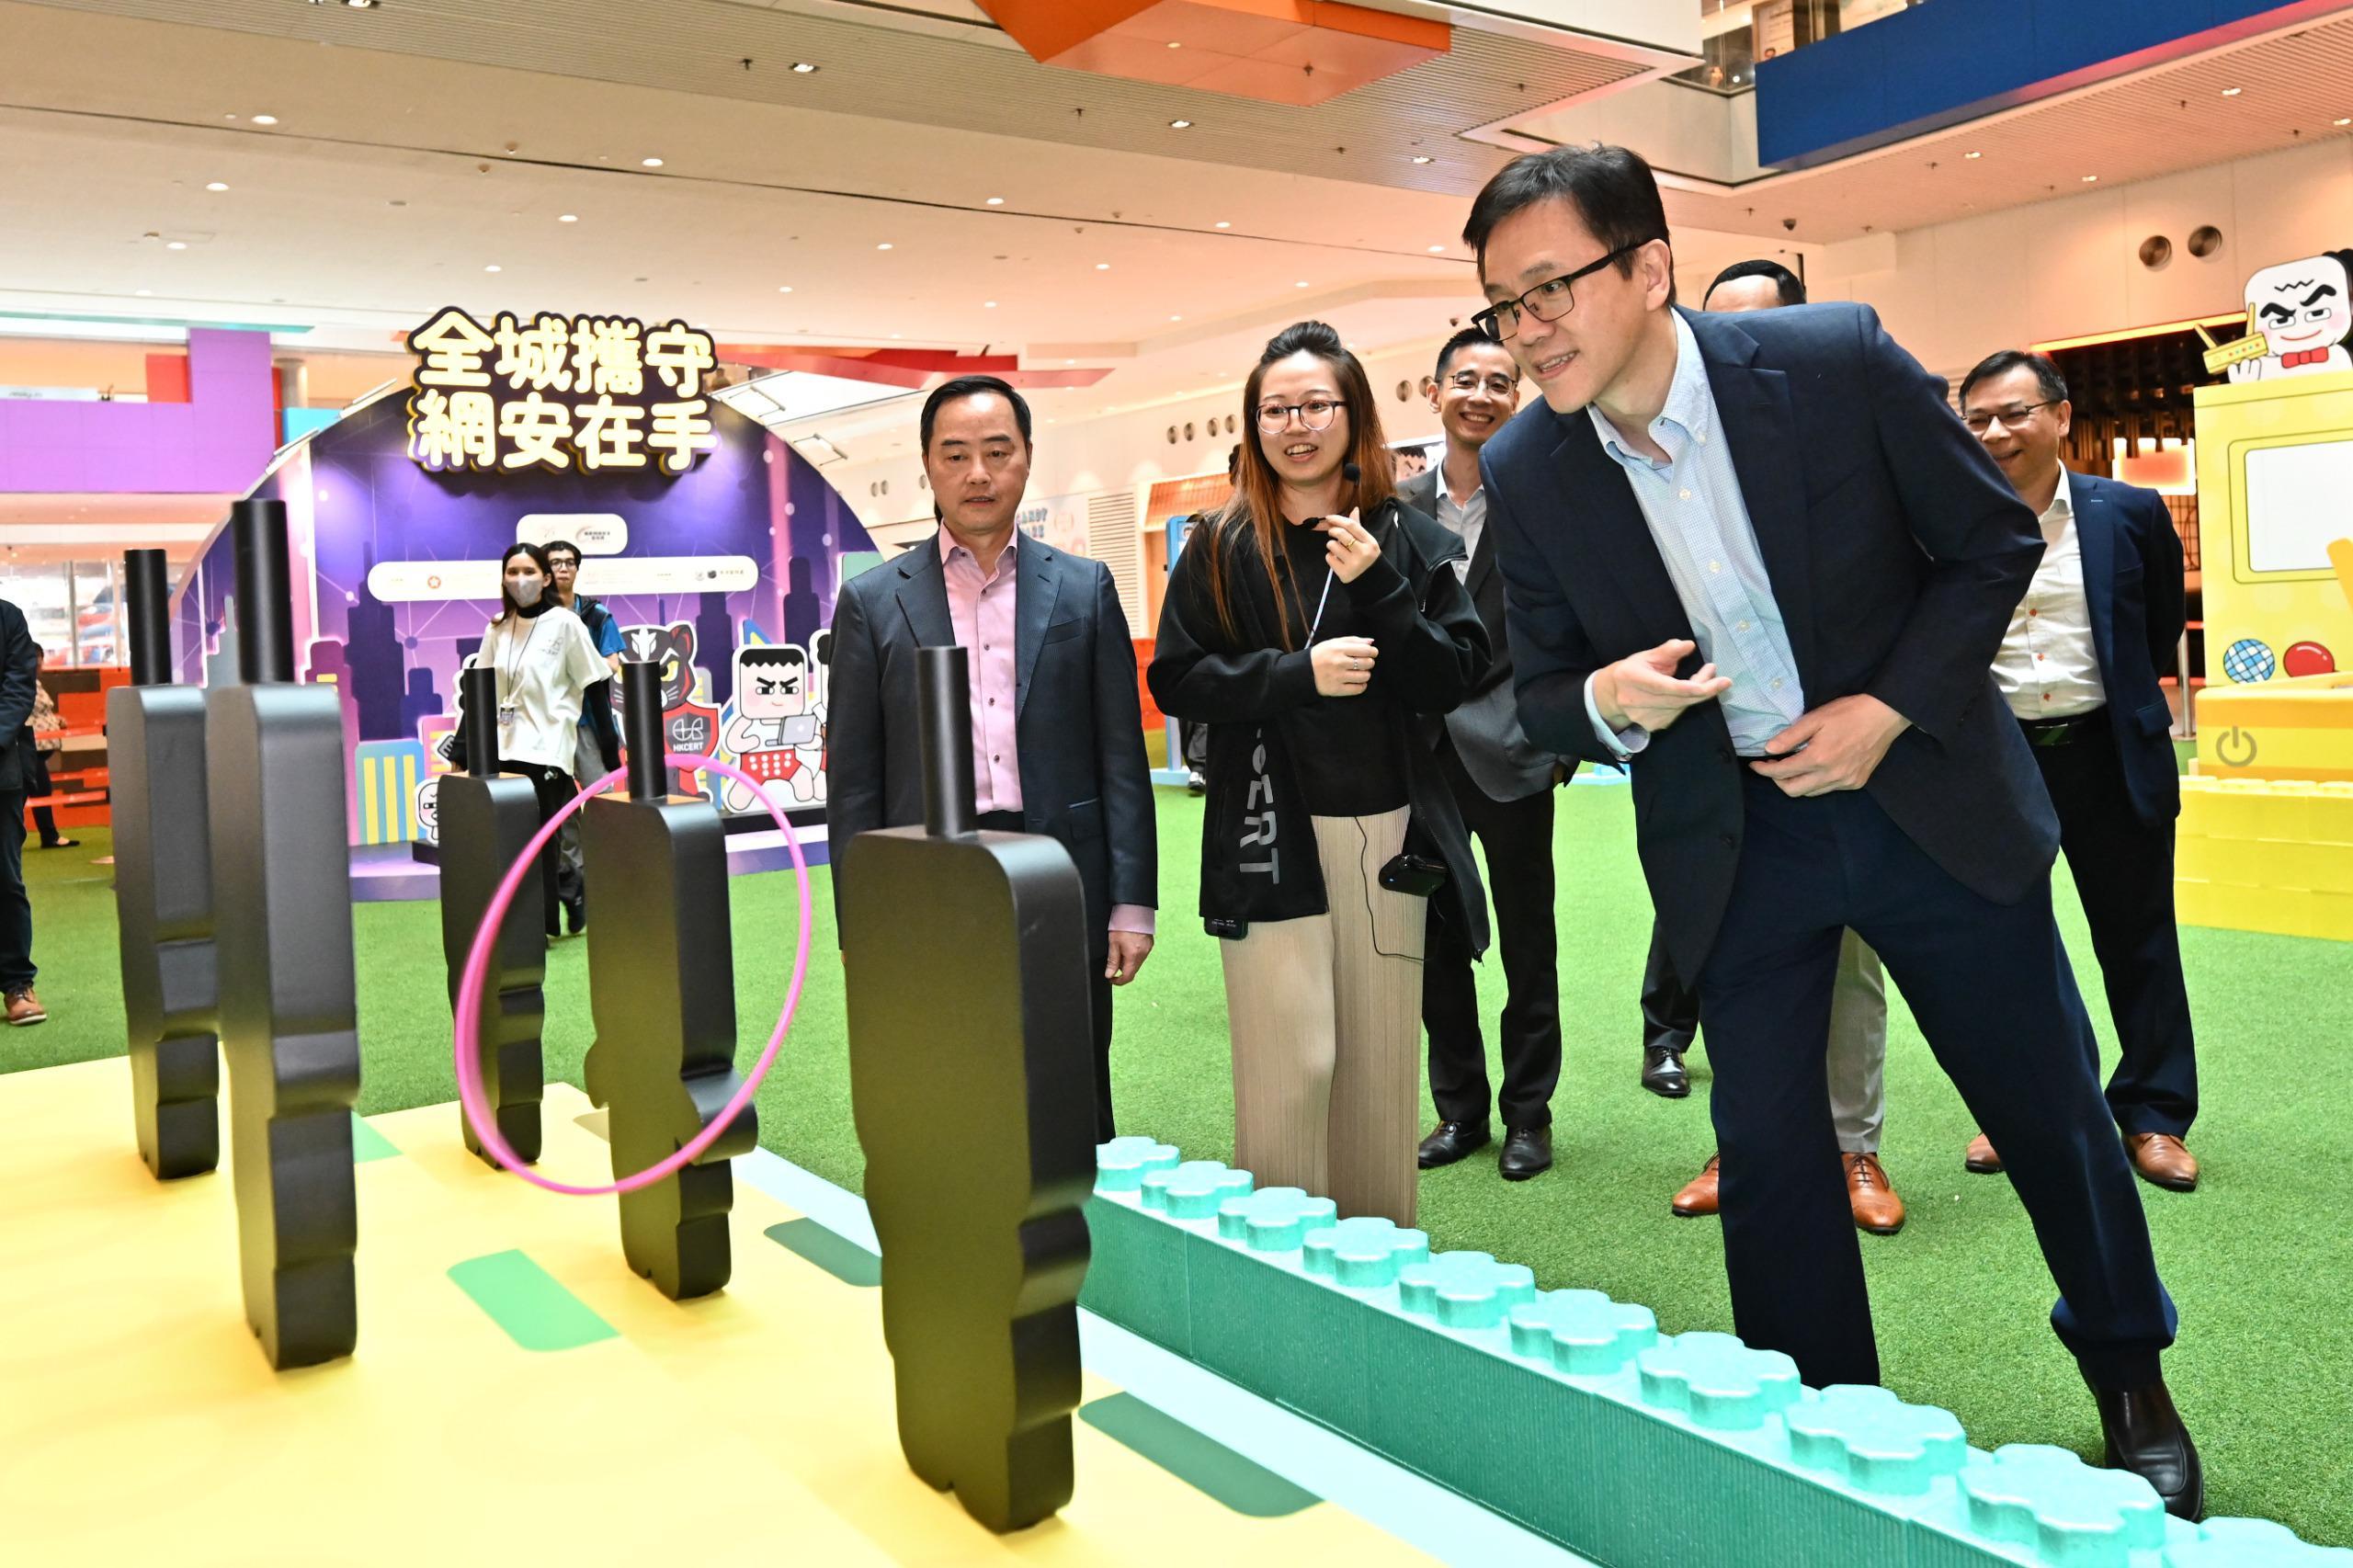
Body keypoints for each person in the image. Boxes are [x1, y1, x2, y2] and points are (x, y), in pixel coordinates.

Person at [1469, 144, 2197, 1515]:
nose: (1530, 329)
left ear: (1649, 267)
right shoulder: (1530, 464)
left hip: (1924, 797)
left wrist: (1887, 710)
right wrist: (1609, 700)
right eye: (1505, 305)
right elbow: (1540, 685)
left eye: (1553, 286)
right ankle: (1823, 1419)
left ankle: (2127, 1369)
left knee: (2046, 1104)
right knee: (1772, 1157)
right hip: (1739, 838)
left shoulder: (1834, 361)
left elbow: (1991, 543)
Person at [1150, 321, 1489, 1228]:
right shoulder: (1221, 543)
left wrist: (1381, 586)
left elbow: (1453, 674)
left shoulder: (1405, 538)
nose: (1295, 424)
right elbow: (1176, 677)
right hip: (1268, 832)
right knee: (1288, 1069)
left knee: (1378, 1075)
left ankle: (1379, 1268)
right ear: (1253, 423)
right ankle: (1282, 1270)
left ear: (1354, 414)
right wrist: (1294, 675)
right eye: (1275, 408)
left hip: (1385, 835)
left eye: (1314, 404)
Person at [828, 375, 1156, 1143]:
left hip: (1058, 870)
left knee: (1069, 1086)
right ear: (928, 466)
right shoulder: (873, 602)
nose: (978, 474)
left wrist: (1131, 903)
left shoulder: (1085, 588)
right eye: (956, 455)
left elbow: (1120, 762)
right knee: (945, 1086)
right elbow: (854, 784)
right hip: (930, 874)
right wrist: (860, 925)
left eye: (997, 452)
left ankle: (1081, 1242)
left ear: (1027, 459)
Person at [1655, 260, 1904, 1235]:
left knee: (1847, 969)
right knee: (1736, 963)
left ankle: (1852, 1145)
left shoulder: (1849, 438)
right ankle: (1746, 1141)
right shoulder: (1662, 456)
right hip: (1714, 766)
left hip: (1843, 757)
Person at [1957, 350, 2200, 1191]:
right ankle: (2029, 1109)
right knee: (2010, 947)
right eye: (1979, 418)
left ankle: (2156, 1113)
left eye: (2015, 412)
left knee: (2138, 940)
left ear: (2060, 416)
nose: (1996, 432)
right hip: (1998, 762)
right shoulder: (1948, 521)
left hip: (2108, 752)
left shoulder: (2126, 512)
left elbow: (2157, 620)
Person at [1403, 327, 1572, 1182]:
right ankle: (1459, 1109)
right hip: (1421, 759)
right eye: (1463, 379)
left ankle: (1529, 1115)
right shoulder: (1391, 510)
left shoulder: (1543, 499)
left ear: (1519, 396)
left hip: (1512, 752)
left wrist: (1558, 737)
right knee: (1433, 943)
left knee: (1527, 942)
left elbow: (1569, 622)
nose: (1479, 393)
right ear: (1433, 394)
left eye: (1498, 382)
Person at [462, 543, 612, 939]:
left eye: (529, 571)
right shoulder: (497, 627)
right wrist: (462, 749)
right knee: (514, 838)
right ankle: (569, 886)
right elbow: (481, 688)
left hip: (548, 745)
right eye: (512, 572)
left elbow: (595, 682)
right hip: (505, 745)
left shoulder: (566, 624)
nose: (520, 580)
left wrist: (610, 749)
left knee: (543, 837)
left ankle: (541, 926)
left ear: (546, 578)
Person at [544, 539, 623, 934]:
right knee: (561, 815)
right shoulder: (531, 617)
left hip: (591, 725)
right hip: (547, 731)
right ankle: (578, 892)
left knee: (605, 803)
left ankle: (614, 889)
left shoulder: (596, 614)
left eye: (569, 562)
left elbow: (612, 663)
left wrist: (576, 667)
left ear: (578, 567)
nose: (562, 568)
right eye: (555, 562)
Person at [0, 597, 45, 1026]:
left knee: (5, 879)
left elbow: (19, 686)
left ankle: (17, 984)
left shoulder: (8, 617)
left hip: (0, 773)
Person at [28, 657, 79, 851]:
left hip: (38, 747)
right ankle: (49, 836)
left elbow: (40, 713)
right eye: (38, 662)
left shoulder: (34, 682)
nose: (41, 666)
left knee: (36, 791)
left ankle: (49, 836)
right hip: (31, 747)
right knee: (39, 790)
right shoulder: (19, 681)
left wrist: (54, 720)